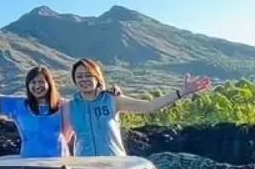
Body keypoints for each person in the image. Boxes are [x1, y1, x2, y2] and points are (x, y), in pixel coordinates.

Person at [63, 58, 211, 157]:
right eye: (79, 76)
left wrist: (182, 92)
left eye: (88, 75)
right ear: (74, 80)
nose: (84, 80)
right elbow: (63, 137)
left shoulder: (111, 100)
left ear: (97, 77)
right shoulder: (70, 107)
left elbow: (149, 106)